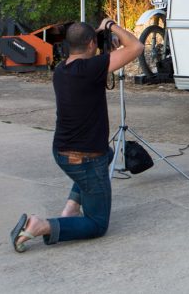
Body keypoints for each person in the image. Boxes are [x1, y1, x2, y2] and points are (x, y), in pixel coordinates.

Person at [10, 17, 143, 252]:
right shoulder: (92, 69)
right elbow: (136, 46)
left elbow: (92, 69)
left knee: (108, 154)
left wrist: (104, 46)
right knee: (97, 224)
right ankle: (41, 226)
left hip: (62, 151)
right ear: (91, 44)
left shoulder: (62, 70)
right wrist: (110, 25)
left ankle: (71, 208)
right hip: (85, 159)